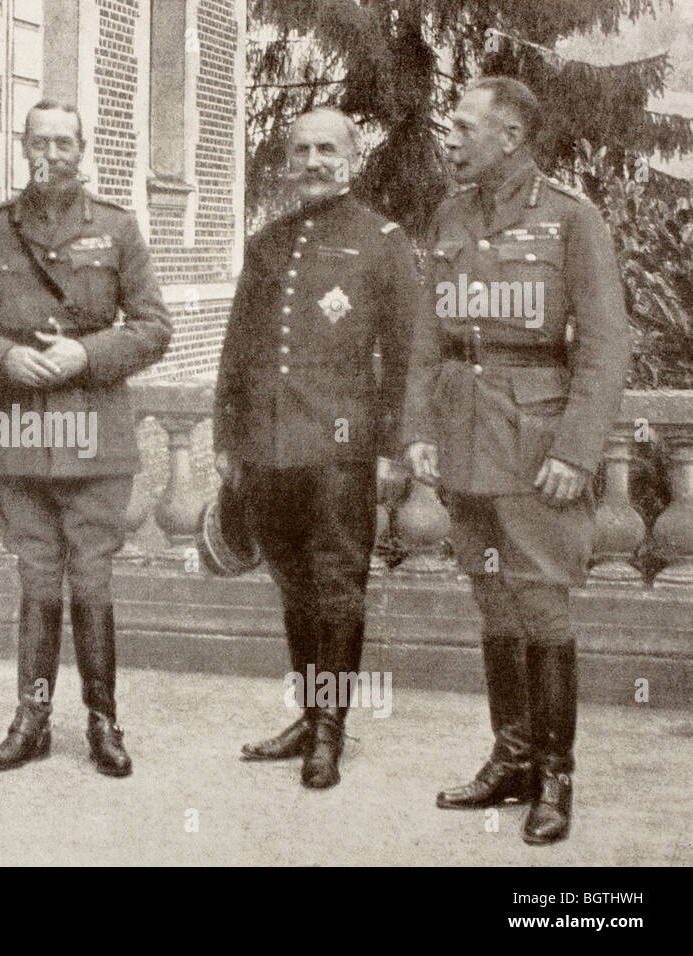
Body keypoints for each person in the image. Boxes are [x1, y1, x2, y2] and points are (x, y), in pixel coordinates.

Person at [400, 77, 628, 844]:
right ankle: (511, 759)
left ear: (512, 137)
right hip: (464, 439)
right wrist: (417, 429)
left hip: (536, 446)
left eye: (465, 128)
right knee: (493, 599)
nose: (451, 139)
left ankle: (555, 777)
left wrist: (577, 448)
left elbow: (603, 349)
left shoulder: (571, 220)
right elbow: (429, 340)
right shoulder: (450, 215)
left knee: (541, 604)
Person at [0, 100, 171, 777]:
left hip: (95, 435)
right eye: (38, 141)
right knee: (37, 577)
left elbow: (155, 327)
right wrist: (6, 358)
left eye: (64, 142)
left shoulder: (118, 228)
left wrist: (86, 355)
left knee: (93, 577)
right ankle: (32, 720)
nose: (51, 153)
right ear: (22, 147)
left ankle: (104, 722)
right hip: (18, 431)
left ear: (83, 149)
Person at [215, 107, 418, 789]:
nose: (311, 161)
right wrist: (227, 437)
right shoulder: (268, 241)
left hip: (339, 447)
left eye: (327, 150)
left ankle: (330, 729)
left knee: (337, 589)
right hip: (268, 446)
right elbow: (239, 347)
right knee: (293, 586)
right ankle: (308, 715)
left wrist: (393, 447)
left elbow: (406, 354)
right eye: (300, 150)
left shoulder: (383, 241)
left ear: (353, 159)